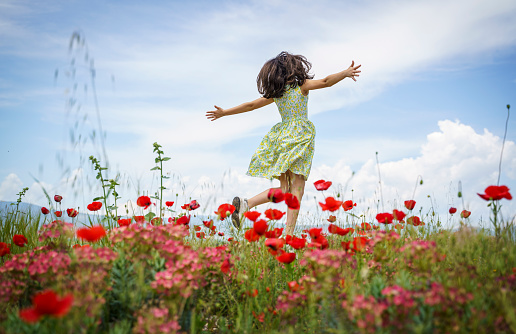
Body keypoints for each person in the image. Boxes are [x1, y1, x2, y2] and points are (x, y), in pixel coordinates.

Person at [206, 51, 361, 236]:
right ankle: (288, 235)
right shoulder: (301, 86)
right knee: (297, 190)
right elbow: (326, 82)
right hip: (298, 138)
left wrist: (225, 113)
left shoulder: (278, 94)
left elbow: (250, 105)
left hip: (281, 138)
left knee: (285, 189)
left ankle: (247, 203)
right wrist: (345, 73)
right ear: (294, 68)